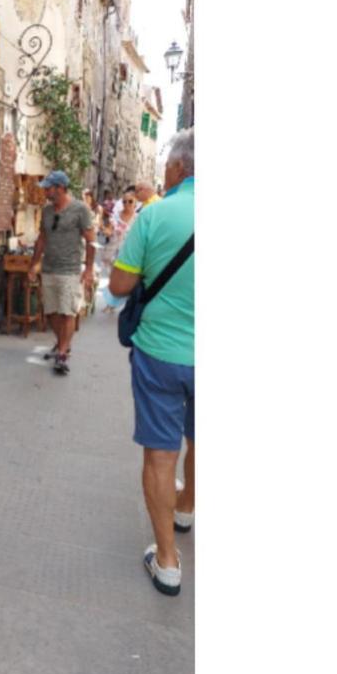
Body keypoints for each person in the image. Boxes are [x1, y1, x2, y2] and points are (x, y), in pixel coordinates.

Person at [108, 128, 195, 596]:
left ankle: (166, 563)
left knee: (161, 456)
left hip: (161, 353)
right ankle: (186, 509)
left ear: (179, 168)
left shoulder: (155, 216)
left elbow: (120, 286)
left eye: (166, 165)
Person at [28, 170, 96, 375]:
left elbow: (91, 240)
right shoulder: (47, 211)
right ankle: (62, 343)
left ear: (60, 188)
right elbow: (42, 239)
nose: (46, 191)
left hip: (70, 270)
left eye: (48, 188)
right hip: (49, 268)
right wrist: (33, 264)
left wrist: (89, 268)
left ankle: (63, 353)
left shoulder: (80, 209)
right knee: (50, 312)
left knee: (67, 312)